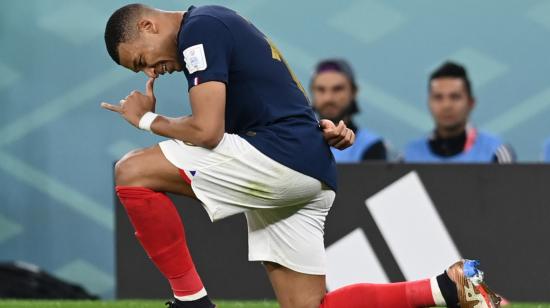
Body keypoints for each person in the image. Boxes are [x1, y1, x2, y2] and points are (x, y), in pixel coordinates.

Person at [102, 4, 501, 308]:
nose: (150, 71)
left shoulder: (199, 30)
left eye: (141, 60)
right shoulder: (218, 23)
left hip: (280, 158)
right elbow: (268, 101)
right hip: (308, 165)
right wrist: (322, 129)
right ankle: (449, 286)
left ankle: (191, 299)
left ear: (147, 25)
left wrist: (146, 119)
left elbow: (207, 132)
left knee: (132, 170)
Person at [404, 61, 515, 163]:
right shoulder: (408, 157)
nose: (446, 105)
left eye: (455, 97)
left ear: (471, 103)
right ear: (428, 103)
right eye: (438, 97)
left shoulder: (496, 152)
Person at [311, 59, 387, 162]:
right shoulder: (298, 140)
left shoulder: (372, 145)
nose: (328, 98)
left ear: (354, 92)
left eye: (337, 89)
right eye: (321, 89)